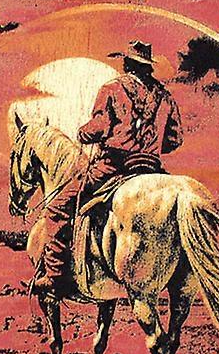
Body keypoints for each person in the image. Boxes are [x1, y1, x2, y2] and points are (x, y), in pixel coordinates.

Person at [32, 40, 183, 294]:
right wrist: (150, 146)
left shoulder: (112, 89)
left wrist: (83, 133)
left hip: (114, 165)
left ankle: (53, 275)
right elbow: (175, 138)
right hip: (151, 168)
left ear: (127, 64)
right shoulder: (165, 96)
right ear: (148, 67)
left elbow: (99, 127)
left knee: (58, 207)